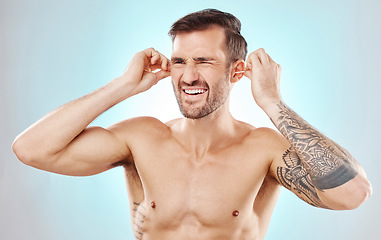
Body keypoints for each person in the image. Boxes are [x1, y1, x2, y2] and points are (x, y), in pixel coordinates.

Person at [12, 9, 372, 240]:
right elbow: (30, 149)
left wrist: (272, 102)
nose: (188, 75)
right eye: (180, 61)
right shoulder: (142, 137)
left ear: (237, 70)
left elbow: (352, 194)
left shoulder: (262, 148)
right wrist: (122, 85)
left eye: (203, 60)